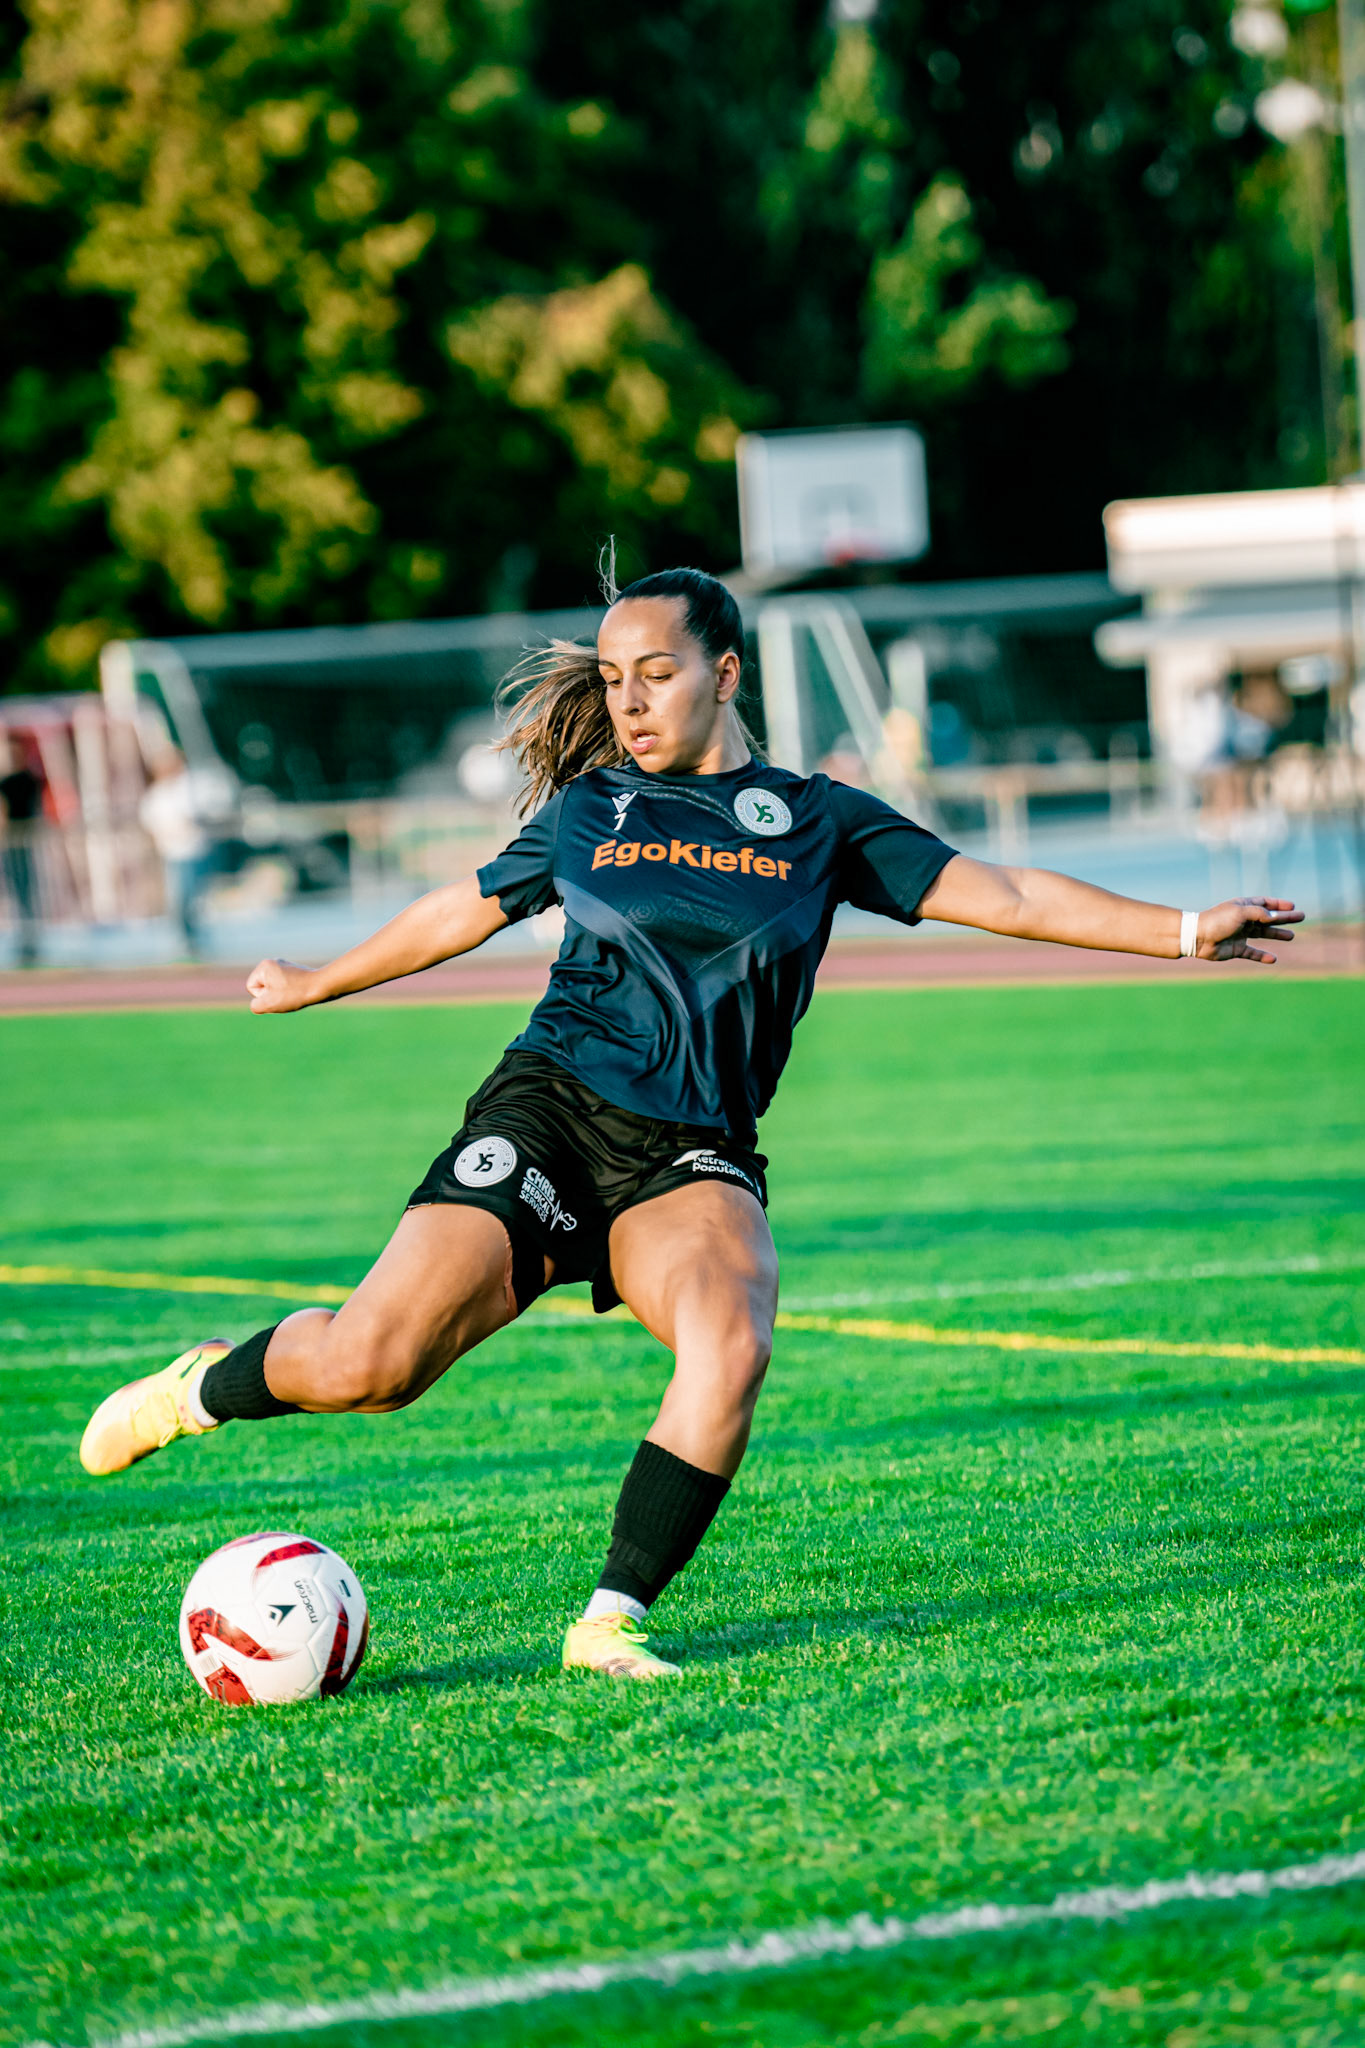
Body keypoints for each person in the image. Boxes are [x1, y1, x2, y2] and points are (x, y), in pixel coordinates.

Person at [79, 565, 1303, 1679]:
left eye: (655, 674)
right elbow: (458, 910)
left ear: (726, 672)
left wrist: (1188, 929)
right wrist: (314, 978)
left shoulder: (821, 819)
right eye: (613, 680)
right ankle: (199, 1389)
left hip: (693, 1148)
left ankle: (608, 1618)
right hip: (551, 1107)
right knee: (370, 1366)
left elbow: (1014, 891)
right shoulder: (591, 811)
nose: (629, 701)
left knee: (731, 1341)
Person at [138, 747, 231, 954]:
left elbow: (210, 809)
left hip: (194, 851)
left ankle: (196, 940)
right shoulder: (157, 795)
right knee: (180, 900)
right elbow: (152, 824)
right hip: (173, 854)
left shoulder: (190, 787)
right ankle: (187, 941)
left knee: (193, 899)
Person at [0, 730, 45, 967]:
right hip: (11, 844)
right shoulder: (6, 781)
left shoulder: (28, 779)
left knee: (26, 894)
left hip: (21, 843)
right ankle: (24, 941)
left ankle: (30, 942)